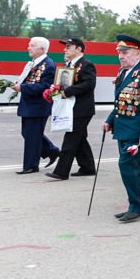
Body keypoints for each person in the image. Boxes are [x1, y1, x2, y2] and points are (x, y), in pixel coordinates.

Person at [103, 35, 140, 222]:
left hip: (137, 132)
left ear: (137, 54)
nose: (121, 56)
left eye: (125, 52)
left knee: (129, 168)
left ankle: (136, 206)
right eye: (119, 53)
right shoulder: (123, 72)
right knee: (136, 169)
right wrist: (110, 120)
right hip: (123, 128)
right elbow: (120, 101)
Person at [45, 38, 97, 180]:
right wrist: (55, 88)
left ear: (78, 49)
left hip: (82, 108)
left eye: (69, 47)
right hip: (70, 107)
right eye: (65, 47)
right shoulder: (68, 65)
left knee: (71, 139)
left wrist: (67, 91)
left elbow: (89, 84)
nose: (65, 49)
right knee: (80, 139)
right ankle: (88, 168)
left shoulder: (86, 64)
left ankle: (61, 172)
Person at [14, 36, 60, 174]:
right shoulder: (34, 63)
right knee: (28, 133)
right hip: (29, 104)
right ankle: (51, 151)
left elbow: (45, 87)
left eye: (32, 45)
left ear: (41, 48)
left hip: (38, 106)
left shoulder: (48, 65)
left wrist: (22, 88)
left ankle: (31, 166)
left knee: (32, 136)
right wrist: (19, 84)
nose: (28, 48)